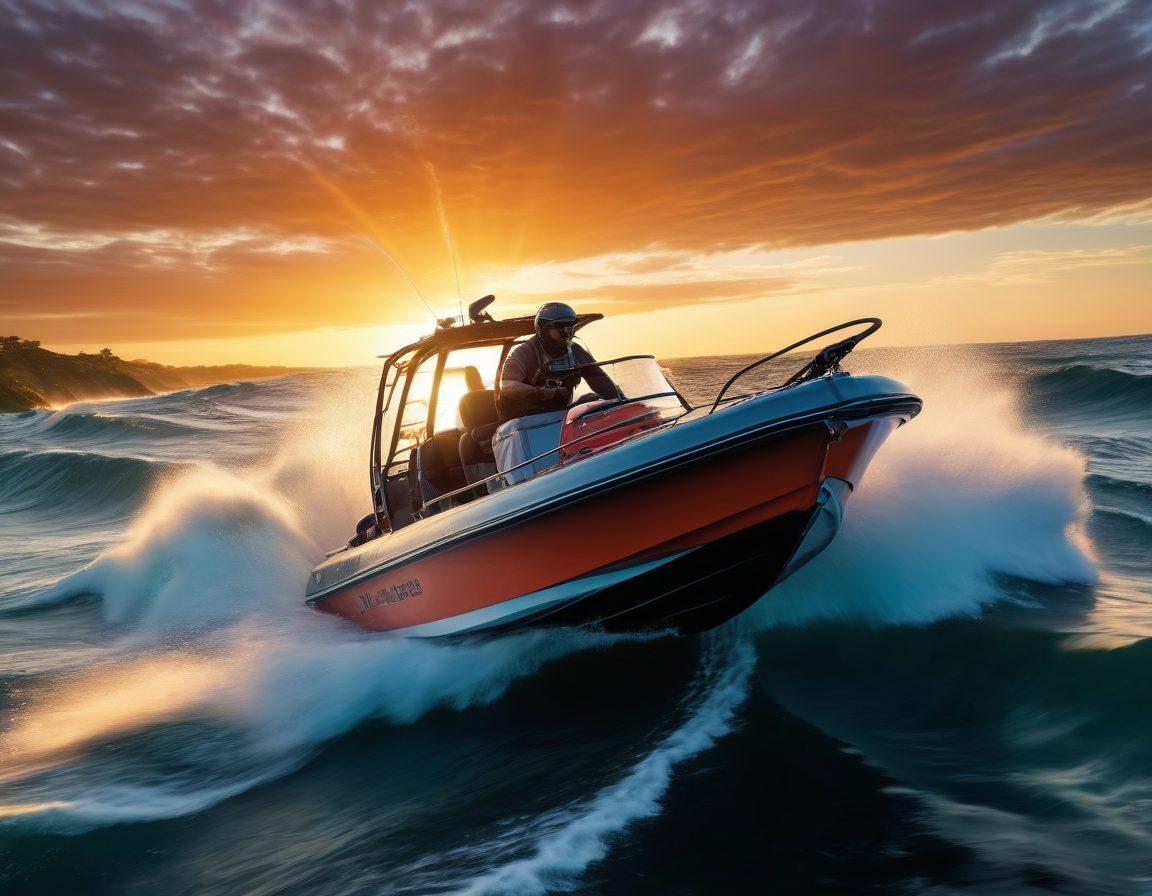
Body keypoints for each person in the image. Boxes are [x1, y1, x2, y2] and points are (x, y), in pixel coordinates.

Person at [496, 302, 619, 422]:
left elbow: (602, 382)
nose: (566, 331)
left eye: (570, 325)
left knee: (592, 400)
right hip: (521, 423)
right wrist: (540, 392)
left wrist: (621, 401)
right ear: (544, 328)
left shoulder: (575, 351)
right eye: (560, 326)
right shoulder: (525, 352)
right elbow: (507, 384)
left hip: (558, 417)